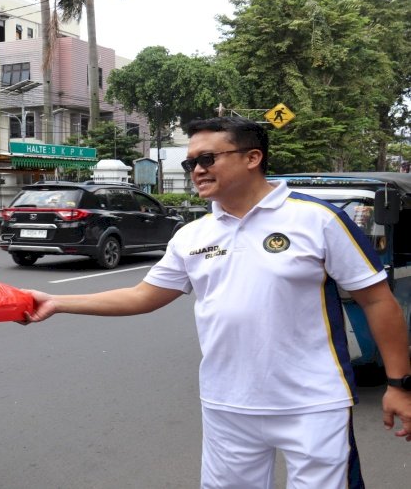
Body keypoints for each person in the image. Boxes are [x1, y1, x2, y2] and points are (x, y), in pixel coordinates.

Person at [22, 117, 411, 489]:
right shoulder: (192, 234)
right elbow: (143, 296)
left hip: (314, 403)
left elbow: (377, 301)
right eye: (191, 162)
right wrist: (56, 301)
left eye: (207, 159)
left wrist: (399, 384)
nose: (196, 170)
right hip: (227, 403)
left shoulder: (318, 220)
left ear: (252, 157)